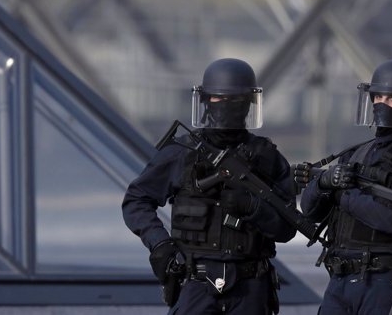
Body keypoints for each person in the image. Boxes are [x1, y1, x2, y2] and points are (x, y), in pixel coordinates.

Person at [122, 58, 296, 314]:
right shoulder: (182, 152)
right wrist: (160, 244)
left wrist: (253, 207)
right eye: (218, 98)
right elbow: (136, 200)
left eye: (236, 101)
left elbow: (287, 229)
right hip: (196, 284)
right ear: (205, 102)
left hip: (251, 287)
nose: (227, 106)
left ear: (249, 104)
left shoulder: (267, 158)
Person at [297, 58, 392, 315]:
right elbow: (310, 213)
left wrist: (343, 196)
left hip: (384, 282)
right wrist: (322, 183)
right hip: (340, 280)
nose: (382, 105)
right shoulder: (356, 153)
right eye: (378, 97)